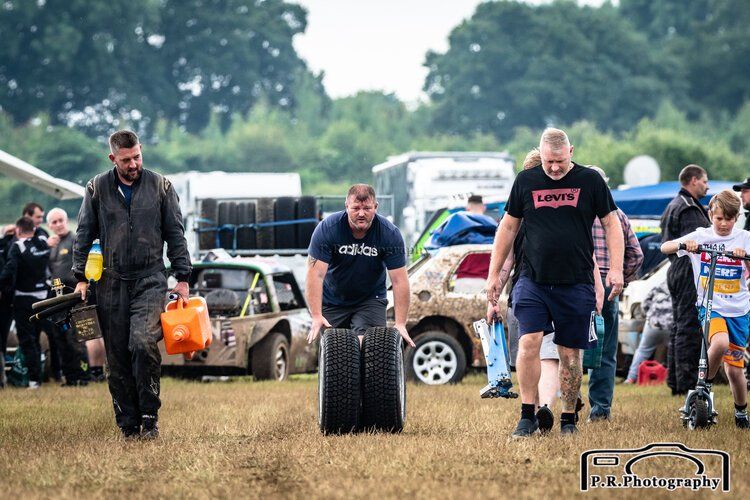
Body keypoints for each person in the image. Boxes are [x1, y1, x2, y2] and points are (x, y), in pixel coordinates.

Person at [486, 128, 623, 437]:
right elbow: (507, 227)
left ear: (571, 152)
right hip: (533, 280)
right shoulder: (526, 181)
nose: (555, 168)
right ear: (540, 153)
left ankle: (568, 418)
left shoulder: (590, 181)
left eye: (560, 161)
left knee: (570, 354)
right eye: (549, 161)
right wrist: (493, 274)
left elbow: (611, 223)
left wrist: (615, 268)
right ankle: (527, 414)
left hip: (575, 283)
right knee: (529, 342)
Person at [73, 129, 191, 440]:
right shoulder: (97, 188)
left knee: (141, 343)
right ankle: (128, 425)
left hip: (150, 278)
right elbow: (84, 233)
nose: (133, 164)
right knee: (117, 355)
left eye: (137, 156)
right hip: (110, 281)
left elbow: (175, 233)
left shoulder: (161, 186)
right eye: (126, 160)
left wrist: (182, 277)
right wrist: (81, 277)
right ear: (113, 158)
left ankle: (149, 418)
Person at [661, 190, 750, 428]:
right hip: (711, 306)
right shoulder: (702, 235)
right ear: (711, 214)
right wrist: (685, 244)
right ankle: (704, 385)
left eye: (729, 219)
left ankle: (741, 412)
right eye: (718, 218)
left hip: (739, 310)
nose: (723, 224)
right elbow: (665, 247)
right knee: (719, 343)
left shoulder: (744, 238)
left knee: (734, 370)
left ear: (736, 217)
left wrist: (745, 257)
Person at [305, 184, 414, 347]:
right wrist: (316, 315)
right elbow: (315, 274)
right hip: (333, 300)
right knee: (335, 352)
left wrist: (400, 323)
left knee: (369, 346)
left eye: (367, 208)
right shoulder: (328, 229)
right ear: (346, 206)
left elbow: (399, 280)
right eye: (356, 208)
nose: (361, 214)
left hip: (370, 300)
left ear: (375, 207)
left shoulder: (389, 234)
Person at [587, 166, 643, 421]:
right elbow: (637, 254)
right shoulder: (617, 214)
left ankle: (570, 403)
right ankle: (600, 411)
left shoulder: (578, 213)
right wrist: (621, 279)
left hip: (579, 282)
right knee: (605, 349)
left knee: (570, 346)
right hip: (609, 283)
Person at [660, 165, 710, 395]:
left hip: (675, 270)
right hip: (688, 270)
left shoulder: (674, 204)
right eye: (704, 181)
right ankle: (687, 384)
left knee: (678, 326)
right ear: (693, 180)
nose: (706, 186)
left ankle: (675, 381)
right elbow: (697, 244)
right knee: (689, 327)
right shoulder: (689, 209)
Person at [0, 216, 51, 389]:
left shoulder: (17, 246)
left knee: (27, 340)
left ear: (18, 231)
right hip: (44, 297)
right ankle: (39, 376)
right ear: (34, 229)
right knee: (37, 337)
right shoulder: (43, 243)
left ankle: (34, 380)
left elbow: (8, 272)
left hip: (24, 299)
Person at [46, 208, 92, 386]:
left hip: (74, 294)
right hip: (56, 297)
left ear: (66, 221)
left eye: (60, 220)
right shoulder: (52, 244)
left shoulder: (75, 240)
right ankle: (70, 377)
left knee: (76, 338)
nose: (58, 224)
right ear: (49, 225)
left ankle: (84, 376)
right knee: (61, 338)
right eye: (54, 222)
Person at [624, 281, 673, 384]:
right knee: (674, 351)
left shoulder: (658, 286)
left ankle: (631, 378)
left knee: (642, 351)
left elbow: (645, 303)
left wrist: (649, 316)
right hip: (671, 324)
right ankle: (673, 378)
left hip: (653, 323)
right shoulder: (680, 286)